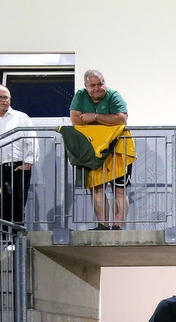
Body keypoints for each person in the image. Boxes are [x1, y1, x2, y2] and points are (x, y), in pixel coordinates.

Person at [69, 69, 131, 230]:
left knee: (119, 189)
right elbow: (76, 120)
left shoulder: (114, 95)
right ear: (86, 86)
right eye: (93, 85)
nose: (98, 88)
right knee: (96, 188)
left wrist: (94, 117)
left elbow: (122, 119)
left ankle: (118, 226)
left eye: (100, 83)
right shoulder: (80, 96)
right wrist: (108, 122)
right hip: (93, 150)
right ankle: (103, 225)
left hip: (118, 148)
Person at [0, 84, 38, 225]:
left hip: (18, 166)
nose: (4, 100)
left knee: (17, 205)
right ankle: (5, 241)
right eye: (0, 97)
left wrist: (28, 163)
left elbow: (32, 140)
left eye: (6, 97)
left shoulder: (21, 117)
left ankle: (13, 242)